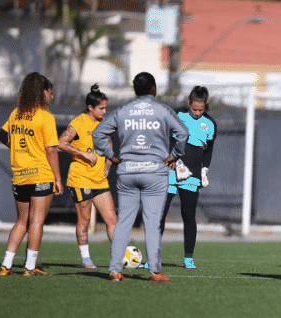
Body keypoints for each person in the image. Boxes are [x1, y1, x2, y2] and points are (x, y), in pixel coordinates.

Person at [93, 72, 188, 283]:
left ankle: (115, 270)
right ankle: (155, 272)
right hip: (155, 172)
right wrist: (175, 154)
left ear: (135, 90)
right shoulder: (163, 110)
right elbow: (183, 133)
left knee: (123, 222)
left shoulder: (123, 111)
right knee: (152, 223)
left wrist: (110, 155)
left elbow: (98, 134)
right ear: (153, 89)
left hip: (127, 171)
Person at [0, 72, 62, 276]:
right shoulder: (45, 117)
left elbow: (1, 135)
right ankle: (30, 267)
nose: (52, 97)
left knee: (21, 221)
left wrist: (17, 148)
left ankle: (6, 266)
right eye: (50, 93)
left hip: (20, 175)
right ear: (42, 92)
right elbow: (51, 150)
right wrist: (58, 178)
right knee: (36, 221)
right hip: (41, 175)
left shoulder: (16, 113)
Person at [58, 84, 117, 269]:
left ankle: (118, 257)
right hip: (80, 179)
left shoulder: (104, 124)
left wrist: (108, 163)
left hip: (99, 179)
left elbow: (110, 144)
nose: (105, 111)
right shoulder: (79, 122)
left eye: (106, 108)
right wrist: (83, 154)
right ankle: (85, 258)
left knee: (112, 219)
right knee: (84, 220)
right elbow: (61, 142)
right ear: (91, 108)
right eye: (101, 108)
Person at [159, 86, 217, 269]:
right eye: (194, 109)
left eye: (201, 110)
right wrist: (171, 159)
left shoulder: (210, 124)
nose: (197, 113)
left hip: (191, 175)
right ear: (188, 104)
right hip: (171, 169)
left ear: (205, 106)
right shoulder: (176, 115)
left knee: (188, 215)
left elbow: (208, 151)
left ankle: (189, 257)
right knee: (159, 214)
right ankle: (154, 256)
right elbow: (165, 139)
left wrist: (205, 170)